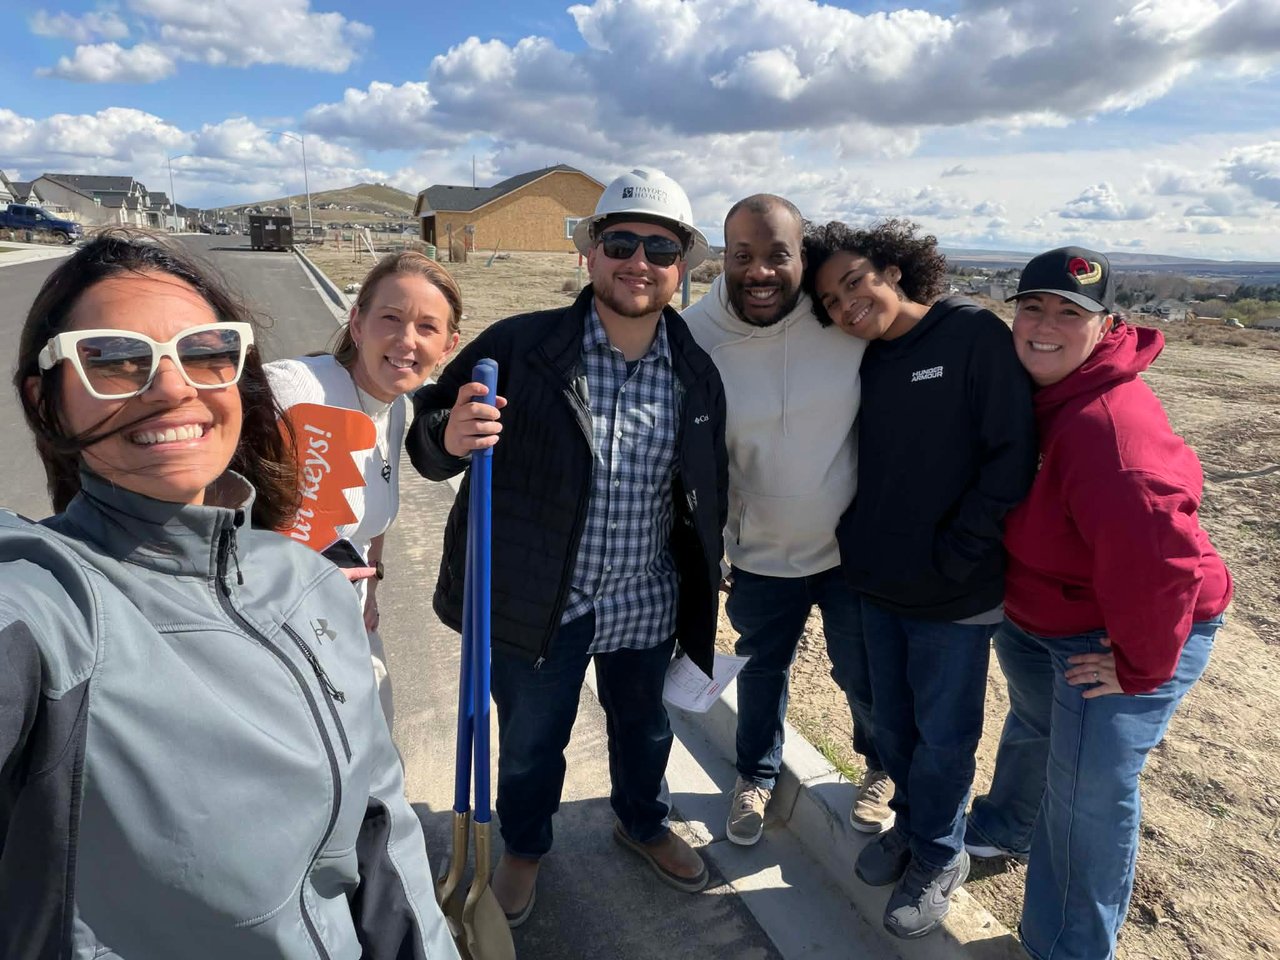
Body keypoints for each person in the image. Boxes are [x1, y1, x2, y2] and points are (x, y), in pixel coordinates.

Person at [1, 231, 459, 959]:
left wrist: (346, 585)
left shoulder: (304, 584)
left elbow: (384, 843)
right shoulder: (47, 605)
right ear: (45, 400)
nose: (173, 386)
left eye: (206, 351)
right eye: (115, 359)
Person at [406, 168, 728, 927]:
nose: (638, 261)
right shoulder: (519, 348)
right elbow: (426, 434)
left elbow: (704, 487)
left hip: (647, 596)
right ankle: (523, 848)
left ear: (682, 265)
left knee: (646, 728)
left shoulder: (696, 372)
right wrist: (443, 436)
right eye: (620, 241)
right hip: (540, 598)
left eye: (660, 246)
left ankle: (642, 820)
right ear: (589, 252)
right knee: (529, 744)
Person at [964, 247, 1233, 960]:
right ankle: (1004, 827)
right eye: (1033, 306)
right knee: (1033, 726)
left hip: (1121, 631)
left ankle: (1068, 948)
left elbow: (1163, 564)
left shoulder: (1111, 434)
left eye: (1070, 313)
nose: (1046, 325)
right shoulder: (1027, 387)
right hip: (1040, 613)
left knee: (1086, 792)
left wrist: (1140, 666)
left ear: (1107, 324)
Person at [804, 219, 1038, 939]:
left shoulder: (971, 334)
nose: (849, 307)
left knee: (944, 733)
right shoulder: (865, 358)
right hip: (875, 580)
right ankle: (913, 826)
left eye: (855, 283)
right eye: (833, 302)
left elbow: (1011, 455)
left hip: (954, 591)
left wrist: (960, 553)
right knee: (893, 724)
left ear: (893, 269)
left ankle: (941, 855)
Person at [681, 194, 891, 846]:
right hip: (758, 551)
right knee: (762, 668)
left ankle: (882, 768)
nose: (761, 271)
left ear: (804, 256)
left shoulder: (841, 324)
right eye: (743, 255)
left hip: (846, 549)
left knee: (860, 670)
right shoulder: (693, 334)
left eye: (778, 255)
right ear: (724, 257)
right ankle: (755, 777)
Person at [267, 251, 461, 728]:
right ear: (357, 324)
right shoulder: (294, 390)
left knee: (375, 760)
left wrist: (372, 579)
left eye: (427, 328)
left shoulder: (396, 409)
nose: (406, 341)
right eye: (390, 319)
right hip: (273, 636)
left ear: (449, 346)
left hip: (344, 625)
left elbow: (367, 509)